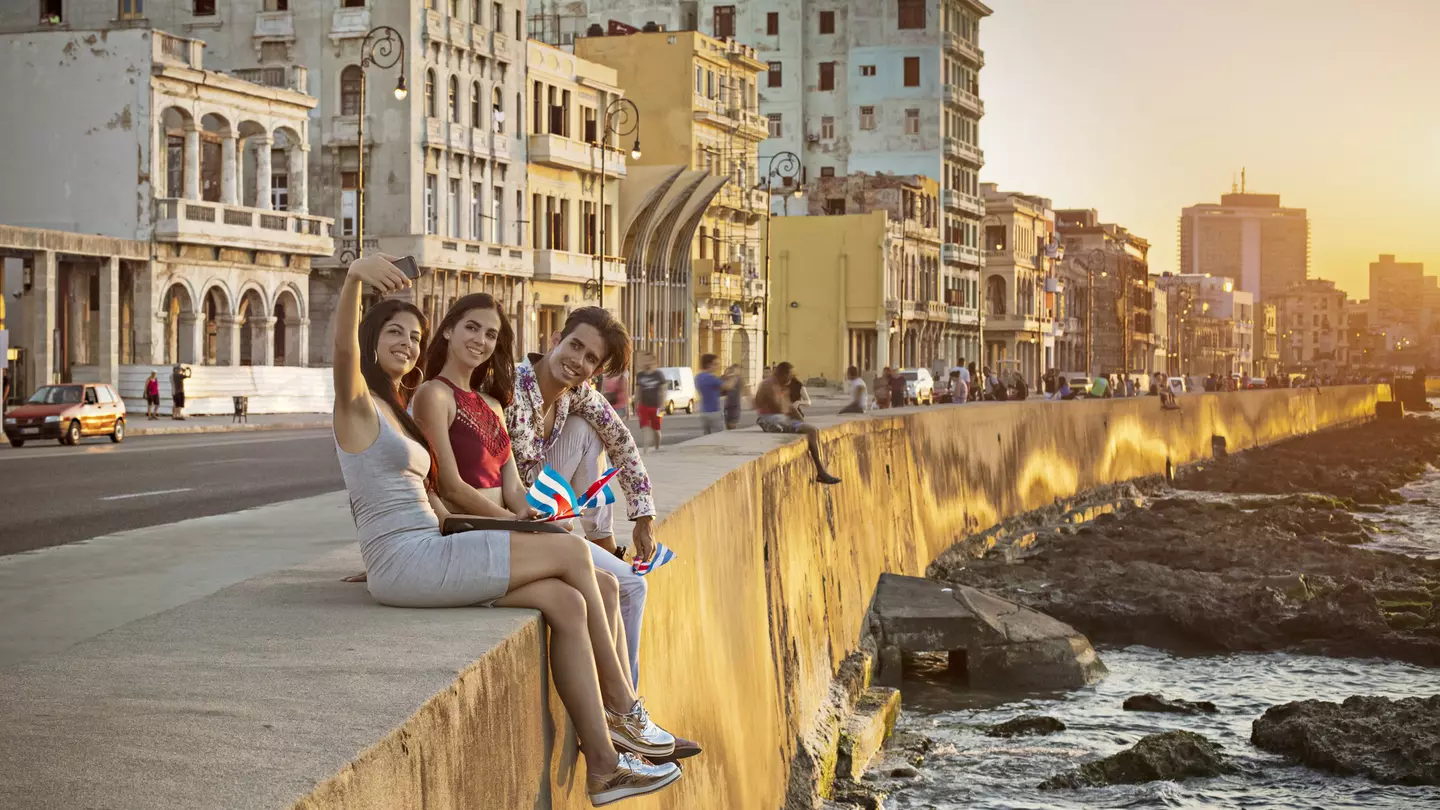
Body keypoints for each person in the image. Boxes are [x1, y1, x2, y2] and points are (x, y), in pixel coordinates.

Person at [330, 256, 682, 803]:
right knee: (572, 554)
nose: (405, 342)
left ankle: (605, 768)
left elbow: (429, 503)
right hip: (411, 563)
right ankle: (625, 706)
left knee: (567, 603)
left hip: (426, 549)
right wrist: (355, 279)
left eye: (413, 335)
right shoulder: (357, 404)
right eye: (392, 332)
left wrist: (510, 525)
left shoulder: (398, 408)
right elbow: (343, 355)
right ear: (371, 339)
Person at [756, 362, 841, 485]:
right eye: (789, 375)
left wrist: (800, 420)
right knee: (811, 430)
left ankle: (822, 470)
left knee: (811, 430)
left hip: (776, 418)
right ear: (783, 374)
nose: (790, 378)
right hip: (772, 419)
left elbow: (787, 408)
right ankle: (821, 472)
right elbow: (783, 407)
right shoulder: (770, 385)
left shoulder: (774, 384)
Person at [633, 353, 666, 453]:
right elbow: (638, 390)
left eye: (649, 361)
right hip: (643, 406)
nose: (647, 363)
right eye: (645, 360)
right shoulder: (640, 375)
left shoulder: (659, 375)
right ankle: (645, 450)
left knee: (657, 430)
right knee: (645, 428)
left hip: (657, 407)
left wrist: (662, 405)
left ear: (654, 362)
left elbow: (663, 391)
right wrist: (635, 404)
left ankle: (657, 447)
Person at [695, 354, 725, 435]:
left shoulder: (698, 377)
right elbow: (727, 387)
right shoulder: (711, 378)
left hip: (703, 411)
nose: (718, 366)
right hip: (714, 412)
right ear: (709, 365)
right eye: (716, 364)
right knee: (717, 437)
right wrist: (735, 376)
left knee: (706, 437)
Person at [722, 365, 747, 430]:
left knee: (732, 426)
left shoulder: (740, 380)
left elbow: (744, 390)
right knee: (728, 425)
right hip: (727, 406)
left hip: (735, 406)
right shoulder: (728, 379)